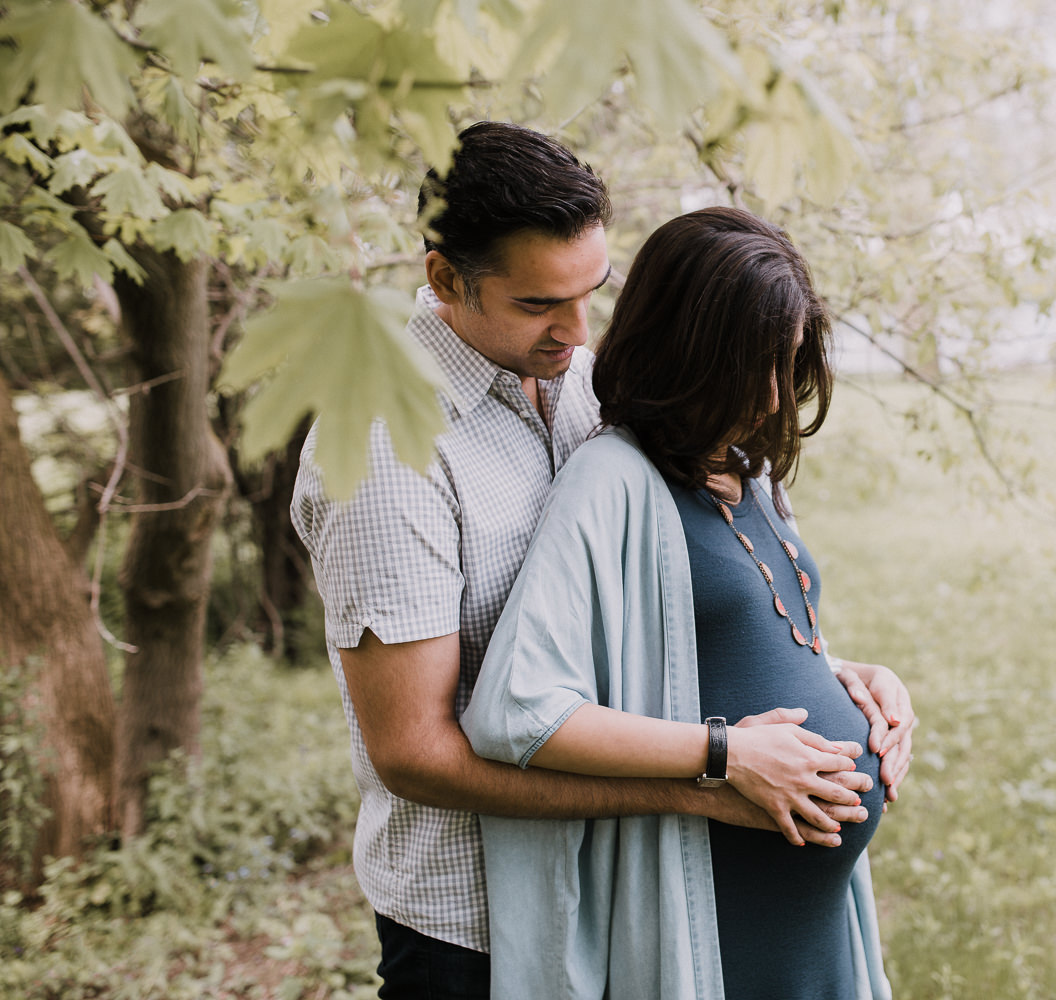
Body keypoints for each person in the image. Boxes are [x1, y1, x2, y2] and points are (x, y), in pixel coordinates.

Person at [291, 122, 915, 999]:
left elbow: (652, 608)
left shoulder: (578, 380)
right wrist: (706, 779)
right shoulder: (386, 453)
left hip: (622, 894)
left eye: (593, 291)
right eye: (539, 304)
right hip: (472, 929)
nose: (578, 331)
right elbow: (416, 753)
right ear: (444, 278)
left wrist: (835, 676)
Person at [462, 206, 901, 999]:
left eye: (788, 363)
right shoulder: (613, 481)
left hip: (811, 928)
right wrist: (726, 752)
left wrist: (859, 682)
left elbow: (757, 634)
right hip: (719, 919)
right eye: (752, 368)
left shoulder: (747, 470)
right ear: (686, 351)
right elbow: (517, 709)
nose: (772, 398)